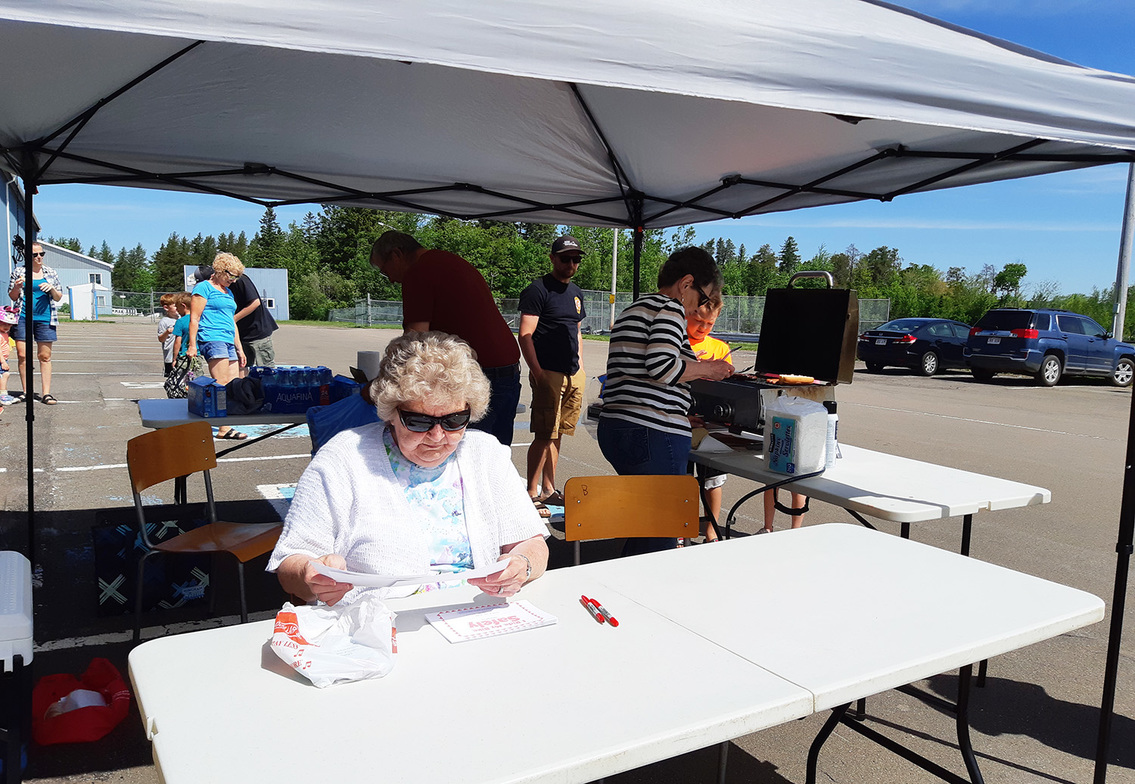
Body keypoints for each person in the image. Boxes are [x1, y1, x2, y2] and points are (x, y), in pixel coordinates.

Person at [268, 331, 549, 605]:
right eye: (418, 422)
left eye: (454, 421)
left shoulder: (485, 453)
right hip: (377, 623)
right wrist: (310, 575)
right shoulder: (343, 458)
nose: (437, 436)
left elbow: (533, 544)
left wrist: (521, 565)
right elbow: (291, 565)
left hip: (475, 614)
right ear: (391, 412)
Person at [597, 246, 735, 556]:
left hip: (619, 426)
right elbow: (662, 366)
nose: (698, 307)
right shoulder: (669, 308)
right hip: (653, 433)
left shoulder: (637, 307)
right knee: (660, 532)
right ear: (687, 284)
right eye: (702, 299)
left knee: (646, 524)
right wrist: (710, 368)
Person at [370, 231, 522, 447]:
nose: (392, 280)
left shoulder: (419, 271)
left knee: (463, 455)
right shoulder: (446, 260)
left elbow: (414, 343)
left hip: (480, 375)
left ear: (396, 254)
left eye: (386, 271)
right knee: (495, 451)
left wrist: (383, 386)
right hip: (506, 369)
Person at [517, 235, 587, 515]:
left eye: (576, 259)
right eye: (565, 258)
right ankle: (531, 493)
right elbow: (525, 335)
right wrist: (537, 372)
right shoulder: (537, 290)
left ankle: (549, 488)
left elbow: (577, 331)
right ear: (553, 259)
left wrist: (580, 365)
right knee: (544, 434)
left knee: (558, 434)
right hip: (548, 372)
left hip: (572, 374)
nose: (571, 263)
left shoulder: (577, 293)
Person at [684, 298, 732, 543]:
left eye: (709, 323)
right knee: (682, 483)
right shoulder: (678, 341)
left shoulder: (720, 348)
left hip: (710, 426)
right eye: (698, 321)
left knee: (712, 480)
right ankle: (679, 533)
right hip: (682, 422)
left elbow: (728, 387)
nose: (702, 328)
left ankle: (711, 532)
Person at [187, 253, 247, 440]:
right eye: (231, 275)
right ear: (220, 270)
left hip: (229, 339)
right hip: (212, 338)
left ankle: (225, 423)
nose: (234, 280)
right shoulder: (203, 288)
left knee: (233, 383)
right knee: (221, 383)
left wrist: (239, 348)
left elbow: (232, 321)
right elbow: (194, 318)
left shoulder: (228, 292)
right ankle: (224, 427)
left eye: (237, 277)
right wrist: (192, 345)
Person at [7, 241, 62, 404]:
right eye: (35, 255)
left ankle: (46, 393)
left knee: (44, 356)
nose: (39, 257)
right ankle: (27, 391)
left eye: (41, 254)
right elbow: (13, 296)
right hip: (22, 316)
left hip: (45, 317)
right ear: (27, 256)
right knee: (22, 355)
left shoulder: (50, 272)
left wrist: (51, 288)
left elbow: (58, 296)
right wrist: (17, 287)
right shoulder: (19, 272)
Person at [228, 272, 278, 370]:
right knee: (242, 367)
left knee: (265, 368)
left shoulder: (240, 279)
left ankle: (267, 385)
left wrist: (234, 319)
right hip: (241, 334)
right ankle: (243, 385)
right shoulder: (218, 286)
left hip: (258, 331)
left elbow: (255, 303)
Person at [157, 294, 179, 377]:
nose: (177, 308)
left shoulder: (181, 318)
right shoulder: (164, 321)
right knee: (171, 378)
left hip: (180, 355)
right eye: (175, 306)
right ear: (166, 308)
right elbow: (161, 339)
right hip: (170, 355)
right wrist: (167, 332)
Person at [0, 306, 18, 406]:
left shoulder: (4, 333)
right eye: (4, 324)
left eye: (9, 325)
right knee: (4, 375)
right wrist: (2, 361)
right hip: (1, 359)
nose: (7, 327)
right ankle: (3, 395)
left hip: (4, 359)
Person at [170, 292, 192, 359]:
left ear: (183, 306)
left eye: (177, 307)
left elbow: (178, 342)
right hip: (198, 354)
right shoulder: (200, 319)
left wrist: (174, 358)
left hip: (184, 355)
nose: (177, 310)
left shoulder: (180, 321)